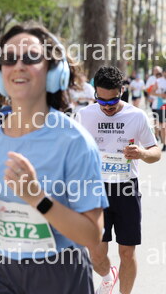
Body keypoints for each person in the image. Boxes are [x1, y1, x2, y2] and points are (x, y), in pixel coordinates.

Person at [0, 23, 108, 294]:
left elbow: (92, 235)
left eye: (31, 58)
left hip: (58, 271)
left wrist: (37, 198)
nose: (18, 66)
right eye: (9, 59)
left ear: (54, 71)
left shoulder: (75, 141)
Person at [76, 66, 160, 294]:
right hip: (96, 189)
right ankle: (108, 276)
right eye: (101, 101)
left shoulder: (136, 116)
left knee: (127, 252)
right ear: (95, 93)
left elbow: (156, 153)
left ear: (121, 91)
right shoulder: (84, 115)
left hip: (126, 188)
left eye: (112, 102)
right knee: (96, 253)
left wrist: (142, 153)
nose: (107, 107)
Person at [145, 68, 166, 150]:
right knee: (163, 125)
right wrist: (161, 95)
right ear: (164, 73)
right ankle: (164, 144)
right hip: (162, 105)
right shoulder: (159, 81)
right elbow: (151, 92)